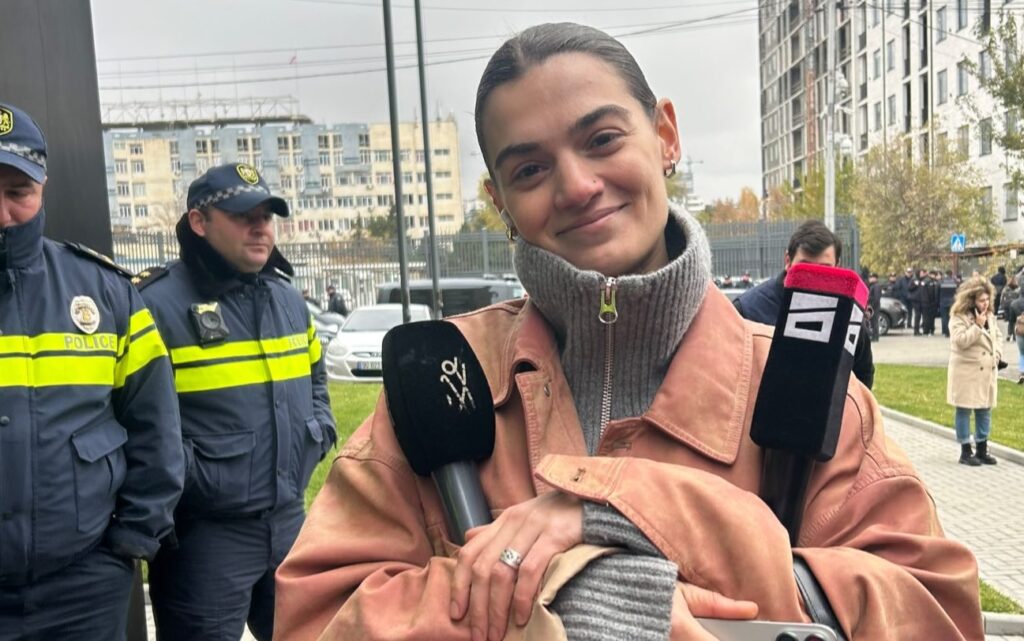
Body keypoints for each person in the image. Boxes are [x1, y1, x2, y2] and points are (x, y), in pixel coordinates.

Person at [274, 23, 983, 641]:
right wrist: (574, 603)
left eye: (602, 138)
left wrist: (623, 509)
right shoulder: (441, 380)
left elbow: (935, 613)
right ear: (499, 202)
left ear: (665, 135)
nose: (577, 185)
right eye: (530, 168)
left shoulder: (805, 388)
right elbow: (313, 617)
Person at [0, 101, 184, 639]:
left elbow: (156, 428)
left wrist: (132, 541)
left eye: (17, 191)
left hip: (82, 590)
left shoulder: (105, 293)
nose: (2, 213)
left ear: (43, 188)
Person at [135, 163, 337, 641]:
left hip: (289, 522)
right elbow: (140, 420)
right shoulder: (155, 305)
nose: (260, 227)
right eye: (244, 216)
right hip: (205, 539)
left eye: (266, 216)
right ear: (199, 222)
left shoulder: (288, 299)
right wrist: (195, 476)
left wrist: (318, 434)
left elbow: (317, 382)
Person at [734, 220, 875, 389]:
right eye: (805, 267)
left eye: (825, 269)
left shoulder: (848, 314)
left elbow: (863, 373)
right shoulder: (748, 309)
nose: (814, 276)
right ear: (788, 261)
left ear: (837, 266)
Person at [947, 277, 1002, 466]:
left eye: (987, 299)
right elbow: (959, 341)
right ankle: (965, 450)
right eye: (981, 300)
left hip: (986, 371)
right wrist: (977, 326)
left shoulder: (990, 315)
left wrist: (997, 354)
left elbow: (998, 336)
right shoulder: (959, 317)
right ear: (971, 300)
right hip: (966, 371)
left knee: (984, 410)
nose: (985, 303)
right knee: (964, 409)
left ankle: (982, 448)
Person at [939, 269, 958, 337]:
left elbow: (938, 292)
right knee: (951, 317)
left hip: (943, 302)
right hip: (952, 302)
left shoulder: (941, 282)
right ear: (951, 274)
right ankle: (950, 331)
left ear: (945, 274)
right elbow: (957, 292)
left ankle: (945, 332)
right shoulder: (955, 282)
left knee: (944, 317)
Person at [867, 273, 882, 341]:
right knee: (873, 322)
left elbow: (876, 298)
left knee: (875, 322)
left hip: (874, 307)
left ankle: (875, 337)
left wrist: (871, 306)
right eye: (870, 277)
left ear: (876, 278)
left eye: (872, 277)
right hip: (872, 306)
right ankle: (874, 336)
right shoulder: (872, 286)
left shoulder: (876, 286)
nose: (870, 279)